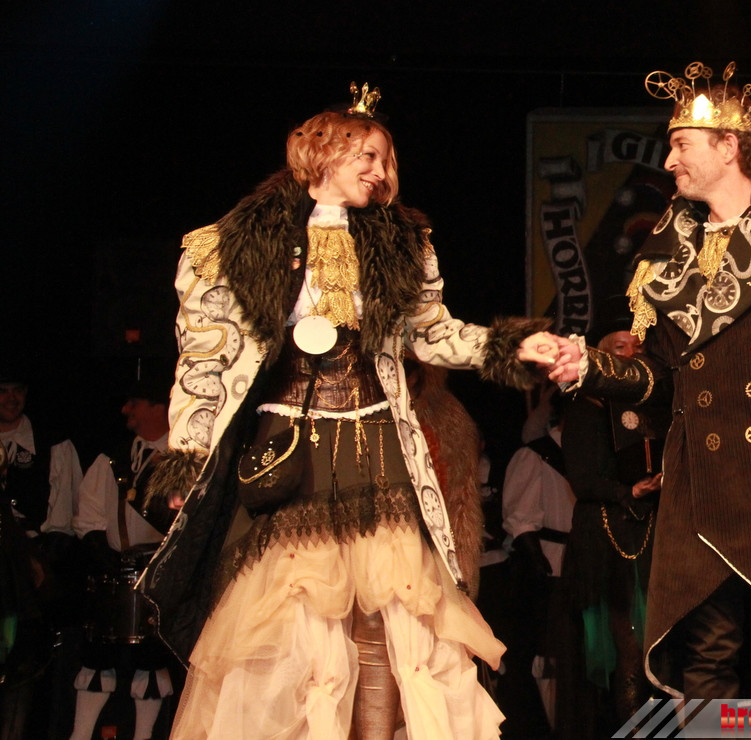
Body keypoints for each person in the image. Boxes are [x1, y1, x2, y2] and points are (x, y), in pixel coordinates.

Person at [137, 84, 547, 739]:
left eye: (387, 159)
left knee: (390, 622)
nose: (380, 170)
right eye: (366, 154)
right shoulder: (236, 243)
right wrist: (189, 457)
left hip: (375, 448)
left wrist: (513, 345)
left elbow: (432, 333)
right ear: (320, 152)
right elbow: (203, 362)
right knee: (286, 627)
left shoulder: (401, 245)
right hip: (287, 453)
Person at [529, 61, 751, 699]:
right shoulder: (668, 256)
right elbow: (660, 378)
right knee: (705, 660)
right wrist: (588, 366)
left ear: (729, 146)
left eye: (681, 144)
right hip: (702, 481)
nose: (669, 161)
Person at [558, 303, 663, 737]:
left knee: (655, 652)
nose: (631, 355)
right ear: (601, 356)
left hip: (648, 534)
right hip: (607, 542)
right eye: (621, 348)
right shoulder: (585, 406)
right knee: (627, 649)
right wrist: (628, 492)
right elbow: (583, 478)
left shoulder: (655, 405)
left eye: (638, 348)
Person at [70, 371, 179, 740]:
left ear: (158, 408)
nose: (125, 410)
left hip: (161, 576)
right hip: (115, 573)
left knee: (151, 662)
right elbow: (87, 518)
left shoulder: (182, 460)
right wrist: (105, 557)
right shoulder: (112, 459)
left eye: (134, 403)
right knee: (97, 658)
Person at [0, 363, 84, 739]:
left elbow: (66, 517)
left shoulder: (52, 445)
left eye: (17, 390)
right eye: (3, 391)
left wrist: (36, 560)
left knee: (23, 661)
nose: (11, 399)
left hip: (29, 570)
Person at [500, 396, 575, 735]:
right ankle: (549, 726)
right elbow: (520, 517)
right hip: (549, 569)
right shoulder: (536, 455)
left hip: (581, 564)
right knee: (548, 653)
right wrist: (537, 561)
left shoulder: (589, 456)